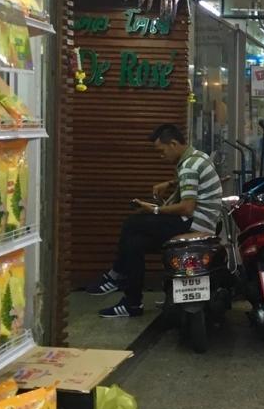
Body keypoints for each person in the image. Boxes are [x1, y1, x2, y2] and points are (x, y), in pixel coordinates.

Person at [86, 123, 224, 318]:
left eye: (162, 151)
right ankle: (132, 303)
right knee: (135, 244)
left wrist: (155, 209)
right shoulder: (198, 157)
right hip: (203, 222)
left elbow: (187, 208)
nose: (161, 156)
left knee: (132, 223)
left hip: (193, 224)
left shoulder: (189, 167)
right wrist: (170, 183)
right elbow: (192, 182)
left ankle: (116, 275)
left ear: (173, 144)